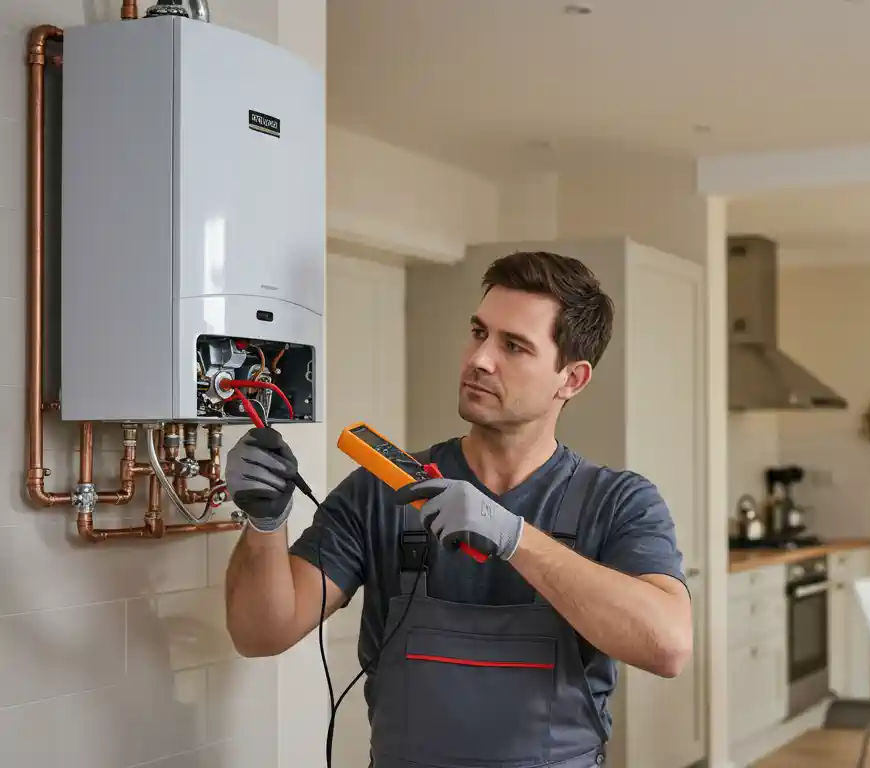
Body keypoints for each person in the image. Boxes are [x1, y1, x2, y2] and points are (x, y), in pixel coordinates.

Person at [222, 251, 693, 768]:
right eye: (478, 332)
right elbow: (260, 632)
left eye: (513, 346)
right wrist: (266, 523)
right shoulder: (383, 491)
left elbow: (667, 646)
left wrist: (513, 537)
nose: (480, 359)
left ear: (572, 379)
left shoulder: (617, 502)